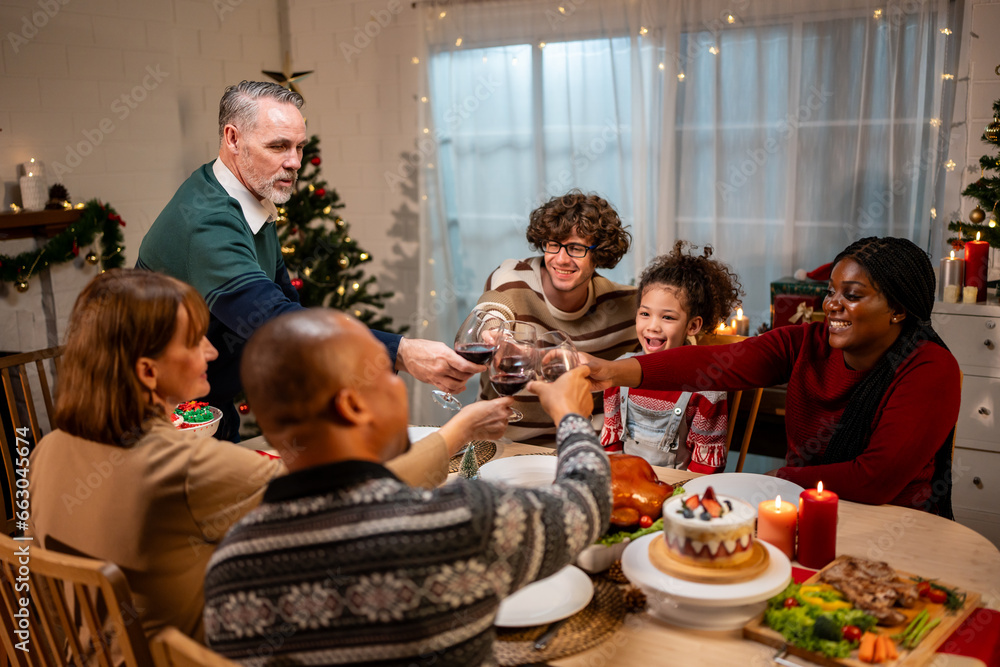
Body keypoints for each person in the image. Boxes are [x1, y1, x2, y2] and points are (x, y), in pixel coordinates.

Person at [27, 270, 512, 643]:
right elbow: (359, 495)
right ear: (149, 371)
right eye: (194, 341)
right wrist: (457, 432)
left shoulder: (49, 447)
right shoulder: (185, 465)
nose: (212, 354)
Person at [202, 309, 611, 665]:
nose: (400, 387)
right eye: (387, 375)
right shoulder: (461, 523)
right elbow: (587, 502)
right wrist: (571, 415)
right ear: (353, 406)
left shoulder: (228, 568)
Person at [137, 80, 482, 442]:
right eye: (278, 146)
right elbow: (271, 322)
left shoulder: (250, 195)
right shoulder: (208, 222)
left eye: (300, 147)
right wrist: (401, 351)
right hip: (165, 415)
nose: (295, 162)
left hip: (206, 401)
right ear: (233, 138)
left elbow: (287, 304)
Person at [586, 236, 960, 516]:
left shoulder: (929, 368)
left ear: (898, 309)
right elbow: (716, 364)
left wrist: (776, 479)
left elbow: (875, 479)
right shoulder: (805, 343)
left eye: (853, 295)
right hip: (801, 505)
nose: (831, 304)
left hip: (893, 522)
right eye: (831, 291)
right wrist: (610, 370)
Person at [476, 190, 638, 441]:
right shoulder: (512, 277)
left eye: (575, 248)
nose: (561, 259)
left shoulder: (625, 305)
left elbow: (673, 345)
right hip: (506, 447)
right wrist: (495, 332)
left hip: (586, 450)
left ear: (598, 254)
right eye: (553, 245)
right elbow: (493, 309)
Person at [600, 241, 743, 473]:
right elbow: (611, 446)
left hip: (679, 493)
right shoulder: (620, 371)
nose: (653, 327)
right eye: (645, 314)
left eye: (667, 317)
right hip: (625, 484)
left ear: (693, 325)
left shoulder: (706, 389)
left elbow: (703, 469)